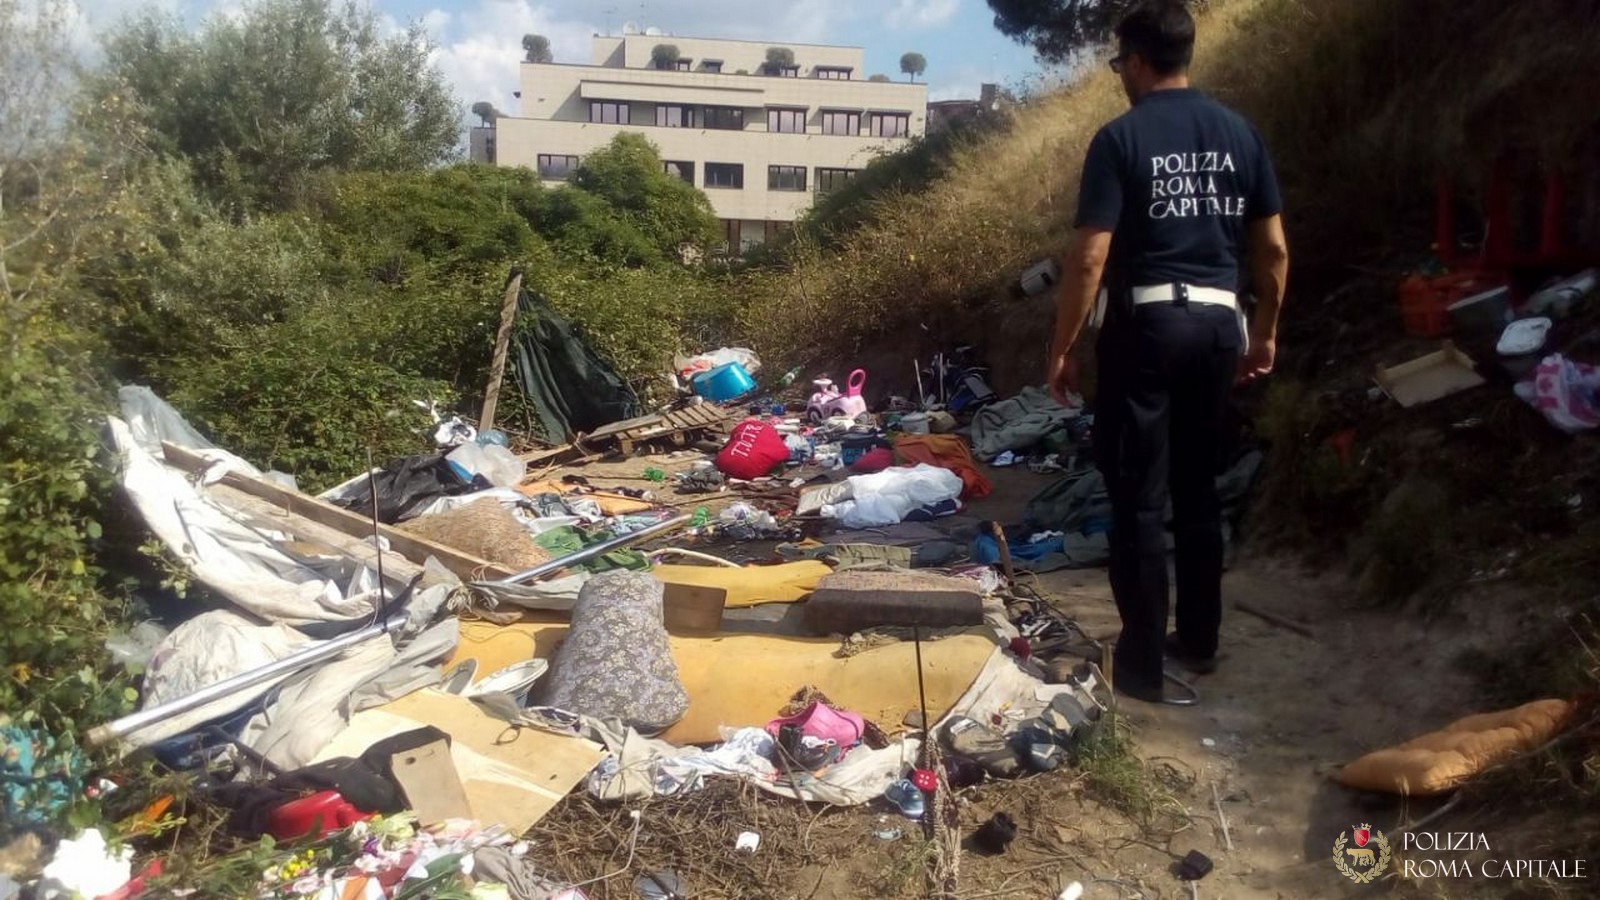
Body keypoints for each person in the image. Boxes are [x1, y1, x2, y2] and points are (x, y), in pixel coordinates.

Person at [1045, 0, 1290, 705]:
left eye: (1121, 62)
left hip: (1147, 328)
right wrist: (1266, 328)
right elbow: (1271, 248)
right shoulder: (1241, 135)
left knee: (1138, 499)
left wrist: (1062, 349)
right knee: (1197, 489)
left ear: (1141, 60)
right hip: (1219, 327)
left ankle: (1144, 665)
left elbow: (1090, 257)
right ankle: (1202, 640)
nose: (1119, 73)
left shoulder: (1119, 139)